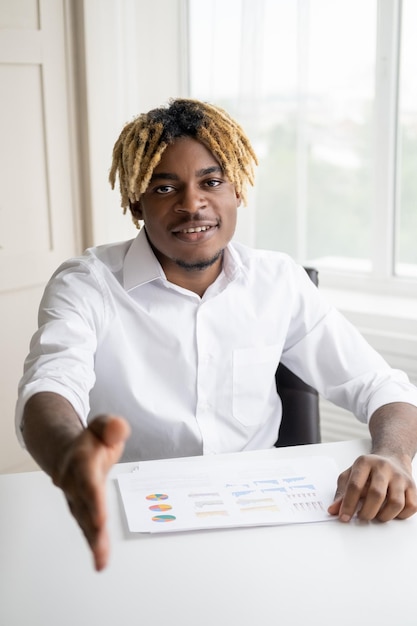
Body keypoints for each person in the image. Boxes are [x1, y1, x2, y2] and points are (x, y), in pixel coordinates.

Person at [16, 98, 417, 572]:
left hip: (261, 518)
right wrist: (68, 453)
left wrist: (392, 455)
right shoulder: (87, 283)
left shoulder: (277, 280)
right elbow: (51, 385)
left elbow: (380, 385)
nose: (192, 204)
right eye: (165, 187)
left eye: (211, 181)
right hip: (133, 515)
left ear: (237, 189)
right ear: (135, 202)